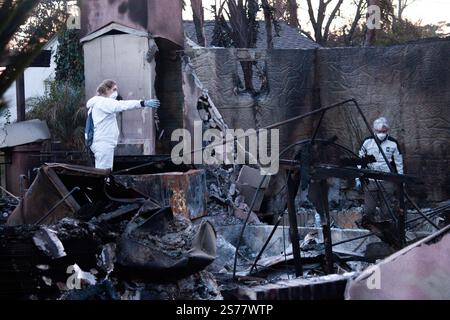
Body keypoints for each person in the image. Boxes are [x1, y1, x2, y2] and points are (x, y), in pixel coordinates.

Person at [86, 79, 160, 170]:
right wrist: (142, 103)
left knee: (103, 171)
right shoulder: (103, 102)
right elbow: (122, 105)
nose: (116, 93)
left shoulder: (98, 103)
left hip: (102, 143)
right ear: (106, 90)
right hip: (103, 143)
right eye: (114, 89)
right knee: (103, 173)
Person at [357, 117, 404, 224]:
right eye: (379, 131)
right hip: (370, 180)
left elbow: (399, 163)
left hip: (387, 180)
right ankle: (369, 228)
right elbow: (360, 160)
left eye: (384, 131)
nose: (381, 133)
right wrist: (358, 178)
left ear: (387, 130)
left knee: (387, 211)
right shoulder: (367, 142)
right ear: (374, 130)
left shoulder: (393, 143)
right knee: (369, 210)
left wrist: (401, 180)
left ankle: (386, 231)